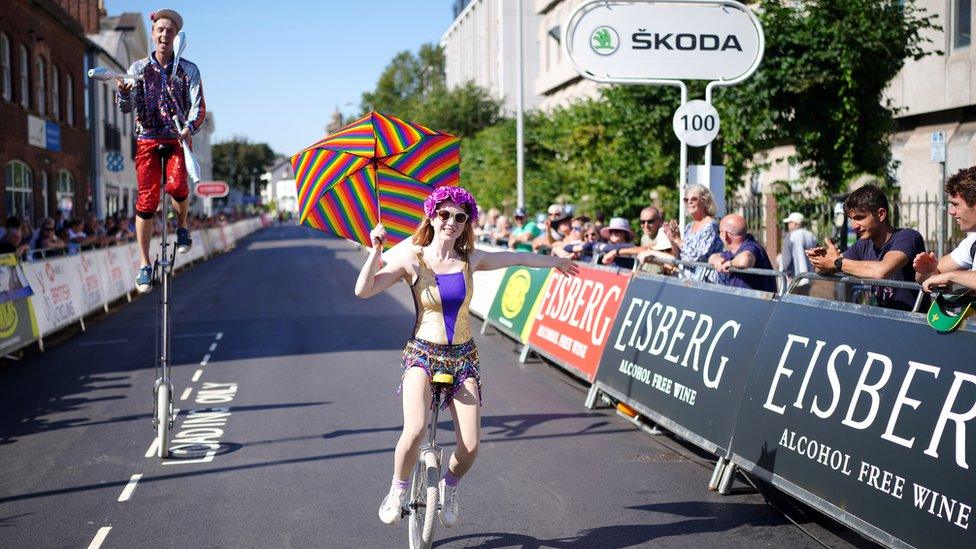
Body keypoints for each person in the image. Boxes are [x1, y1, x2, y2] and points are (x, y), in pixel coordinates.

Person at [355, 186, 578, 529]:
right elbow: (364, 290)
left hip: (463, 358)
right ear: (431, 216)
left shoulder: (470, 259)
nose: (452, 222)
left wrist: (555, 261)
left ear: (467, 222)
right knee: (414, 430)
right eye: (444, 214)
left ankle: (449, 487)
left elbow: (516, 257)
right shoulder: (411, 259)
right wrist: (376, 251)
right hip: (422, 355)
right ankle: (397, 490)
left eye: (460, 217)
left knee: (471, 446)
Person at [118, 8, 206, 293]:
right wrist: (124, 93)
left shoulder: (188, 70)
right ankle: (144, 265)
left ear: (176, 36)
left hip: (176, 138)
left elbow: (199, 107)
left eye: (170, 30)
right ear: (153, 34)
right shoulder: (137, 69)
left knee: (178, 184)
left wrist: (189, 128)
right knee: (146, 201)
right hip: (147, 138)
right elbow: (125, 108)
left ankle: (181, 228)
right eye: (160, 30)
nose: (164, 34)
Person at [806, 184, 925, 311]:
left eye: (859, 218)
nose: (854, 226)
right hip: (884, 320)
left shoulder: (908, 237)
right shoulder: (863, 244)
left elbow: (881, 271)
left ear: (881, 214)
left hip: (913, 324)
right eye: (852, 219)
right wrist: (822, 260)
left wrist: (836, 262)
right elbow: (824, 269)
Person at [915, 166, 976, 293]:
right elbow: (926, 277)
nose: (951, 211)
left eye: (955, 204)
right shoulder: (972, 242)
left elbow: (945, 276)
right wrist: (927, 271)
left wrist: (950, 276)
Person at [662, 184, 723, 280]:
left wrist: (678, 240)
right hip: (689, 281)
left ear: (704, 201)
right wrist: (672, 240)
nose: (689, 202)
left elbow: (696, 258)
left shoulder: (710, 226)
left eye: (693, 199)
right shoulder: (690, 226)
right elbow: (679, 257)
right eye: (686, 200)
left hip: (706, 283)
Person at [708, 214, 777, 292]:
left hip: (756, 302)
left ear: (725, 235)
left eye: (719, 231)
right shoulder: (733, 251)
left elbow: (745, 260)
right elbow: (712, 257)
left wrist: (730, 264)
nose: (719, 235)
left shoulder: (752, 246)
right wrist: (717, 260)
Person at [779, 212, 818, 294]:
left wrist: (786, 273)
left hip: (794, 279)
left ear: (795, 224)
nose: (788, 225)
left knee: (789, 304)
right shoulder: (811, 235)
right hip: (808, 276)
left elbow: (786, 261)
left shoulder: (791, 236)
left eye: (790, 223)